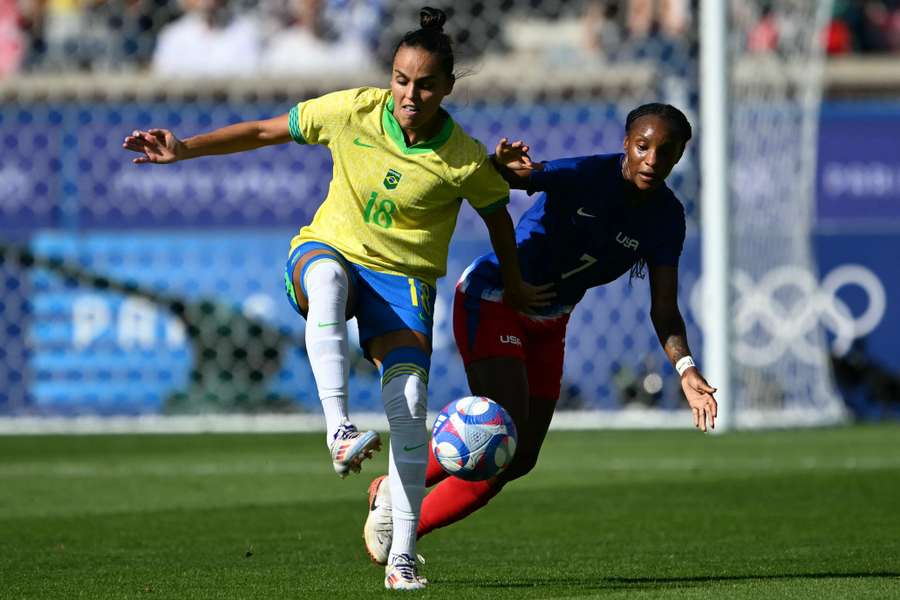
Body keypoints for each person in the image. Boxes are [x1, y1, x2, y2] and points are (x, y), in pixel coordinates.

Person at [123, 6, 542, 590]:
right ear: (389, 76)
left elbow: (498, 215)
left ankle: (402, 556)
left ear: (447, 87)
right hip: (326, 251)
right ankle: (339, 428)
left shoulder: (464, 159)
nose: (409, 94)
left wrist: (516, 281)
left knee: (413, 400)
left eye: (424, 85)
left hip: (401, 283)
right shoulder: (354, 110)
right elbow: (269, 129)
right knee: (327, 281)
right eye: (400, 79)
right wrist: (185, 148)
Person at [363, 103, 718, 563]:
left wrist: (686, 368)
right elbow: (517, 177)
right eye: (643, 146)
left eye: (666, 151)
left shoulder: (667, 218)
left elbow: (665, 309)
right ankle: (400, 514)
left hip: (552, 319)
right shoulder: (590, 174)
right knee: (501, 427)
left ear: (679, 156)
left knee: (521, 456)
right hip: (496, 298)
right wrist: (504, 166)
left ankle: (400, 508)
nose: (652, 158)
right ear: (626, 144)